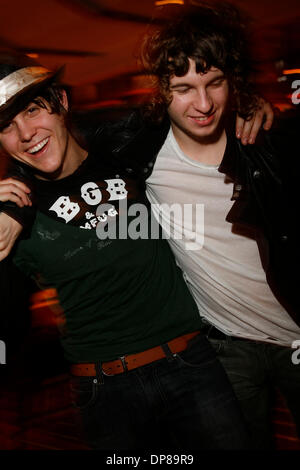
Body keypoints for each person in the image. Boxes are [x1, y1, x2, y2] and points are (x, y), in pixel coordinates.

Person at [0, 52, 258, 450]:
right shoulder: (15, 212)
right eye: (6, 127)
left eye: (33, 110)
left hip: (191, 366)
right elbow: (8, 330)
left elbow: (199, 108)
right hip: (105, 392)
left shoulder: (126, 150)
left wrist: (247, 106)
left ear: (61, 103)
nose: (25, 134)